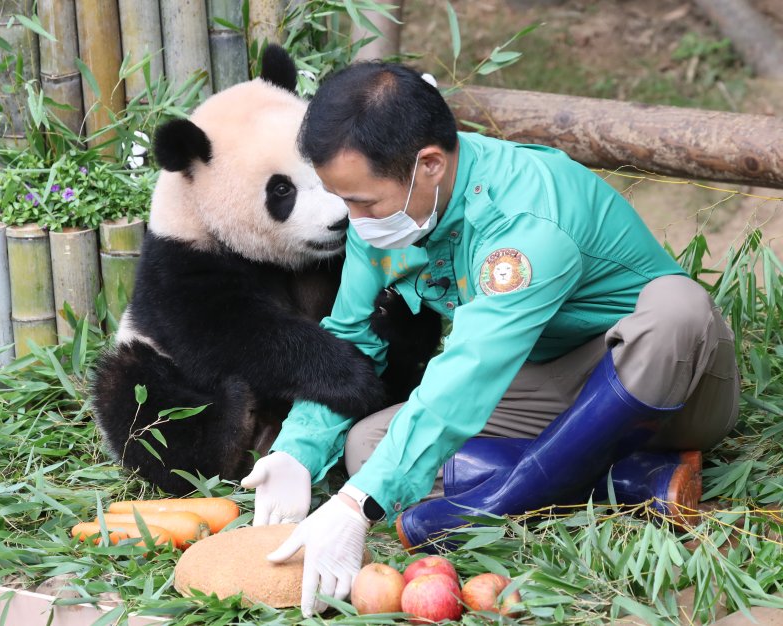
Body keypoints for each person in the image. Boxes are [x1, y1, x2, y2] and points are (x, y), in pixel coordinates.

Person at [240, 60, 739, 616]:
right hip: (548, 376)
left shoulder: (526, 218)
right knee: (369, 448)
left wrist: (357, 506)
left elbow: (471, 368)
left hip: (666, 382)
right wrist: (299, 448)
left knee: (679, 308)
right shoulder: (386, 211)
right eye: (344, 200)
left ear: (428, 164)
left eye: (363, 202)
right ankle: (630, 480)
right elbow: (353, 336)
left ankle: (504, 497)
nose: (351, 221)